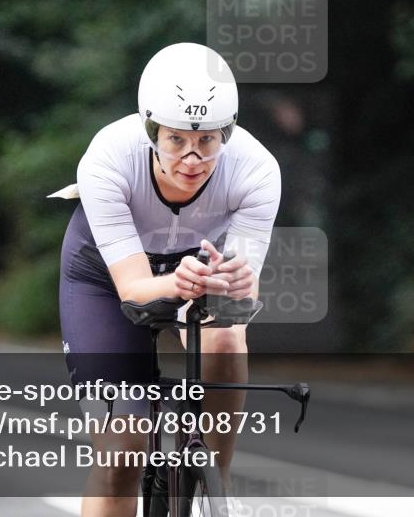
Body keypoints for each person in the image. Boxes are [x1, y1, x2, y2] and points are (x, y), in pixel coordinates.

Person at [55, 42, 281, 517]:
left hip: (198, 263)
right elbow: (134, 290)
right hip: (106, 273)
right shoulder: (109, 157)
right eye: (176, 140)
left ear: (228, 133)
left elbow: (240, 305)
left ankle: (214, 483)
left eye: (207, 141)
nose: (192, 158)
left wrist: (237, 281)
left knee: (225, 340)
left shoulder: (257, 170)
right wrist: (177, 282)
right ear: (151, 129)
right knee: (123, 449)